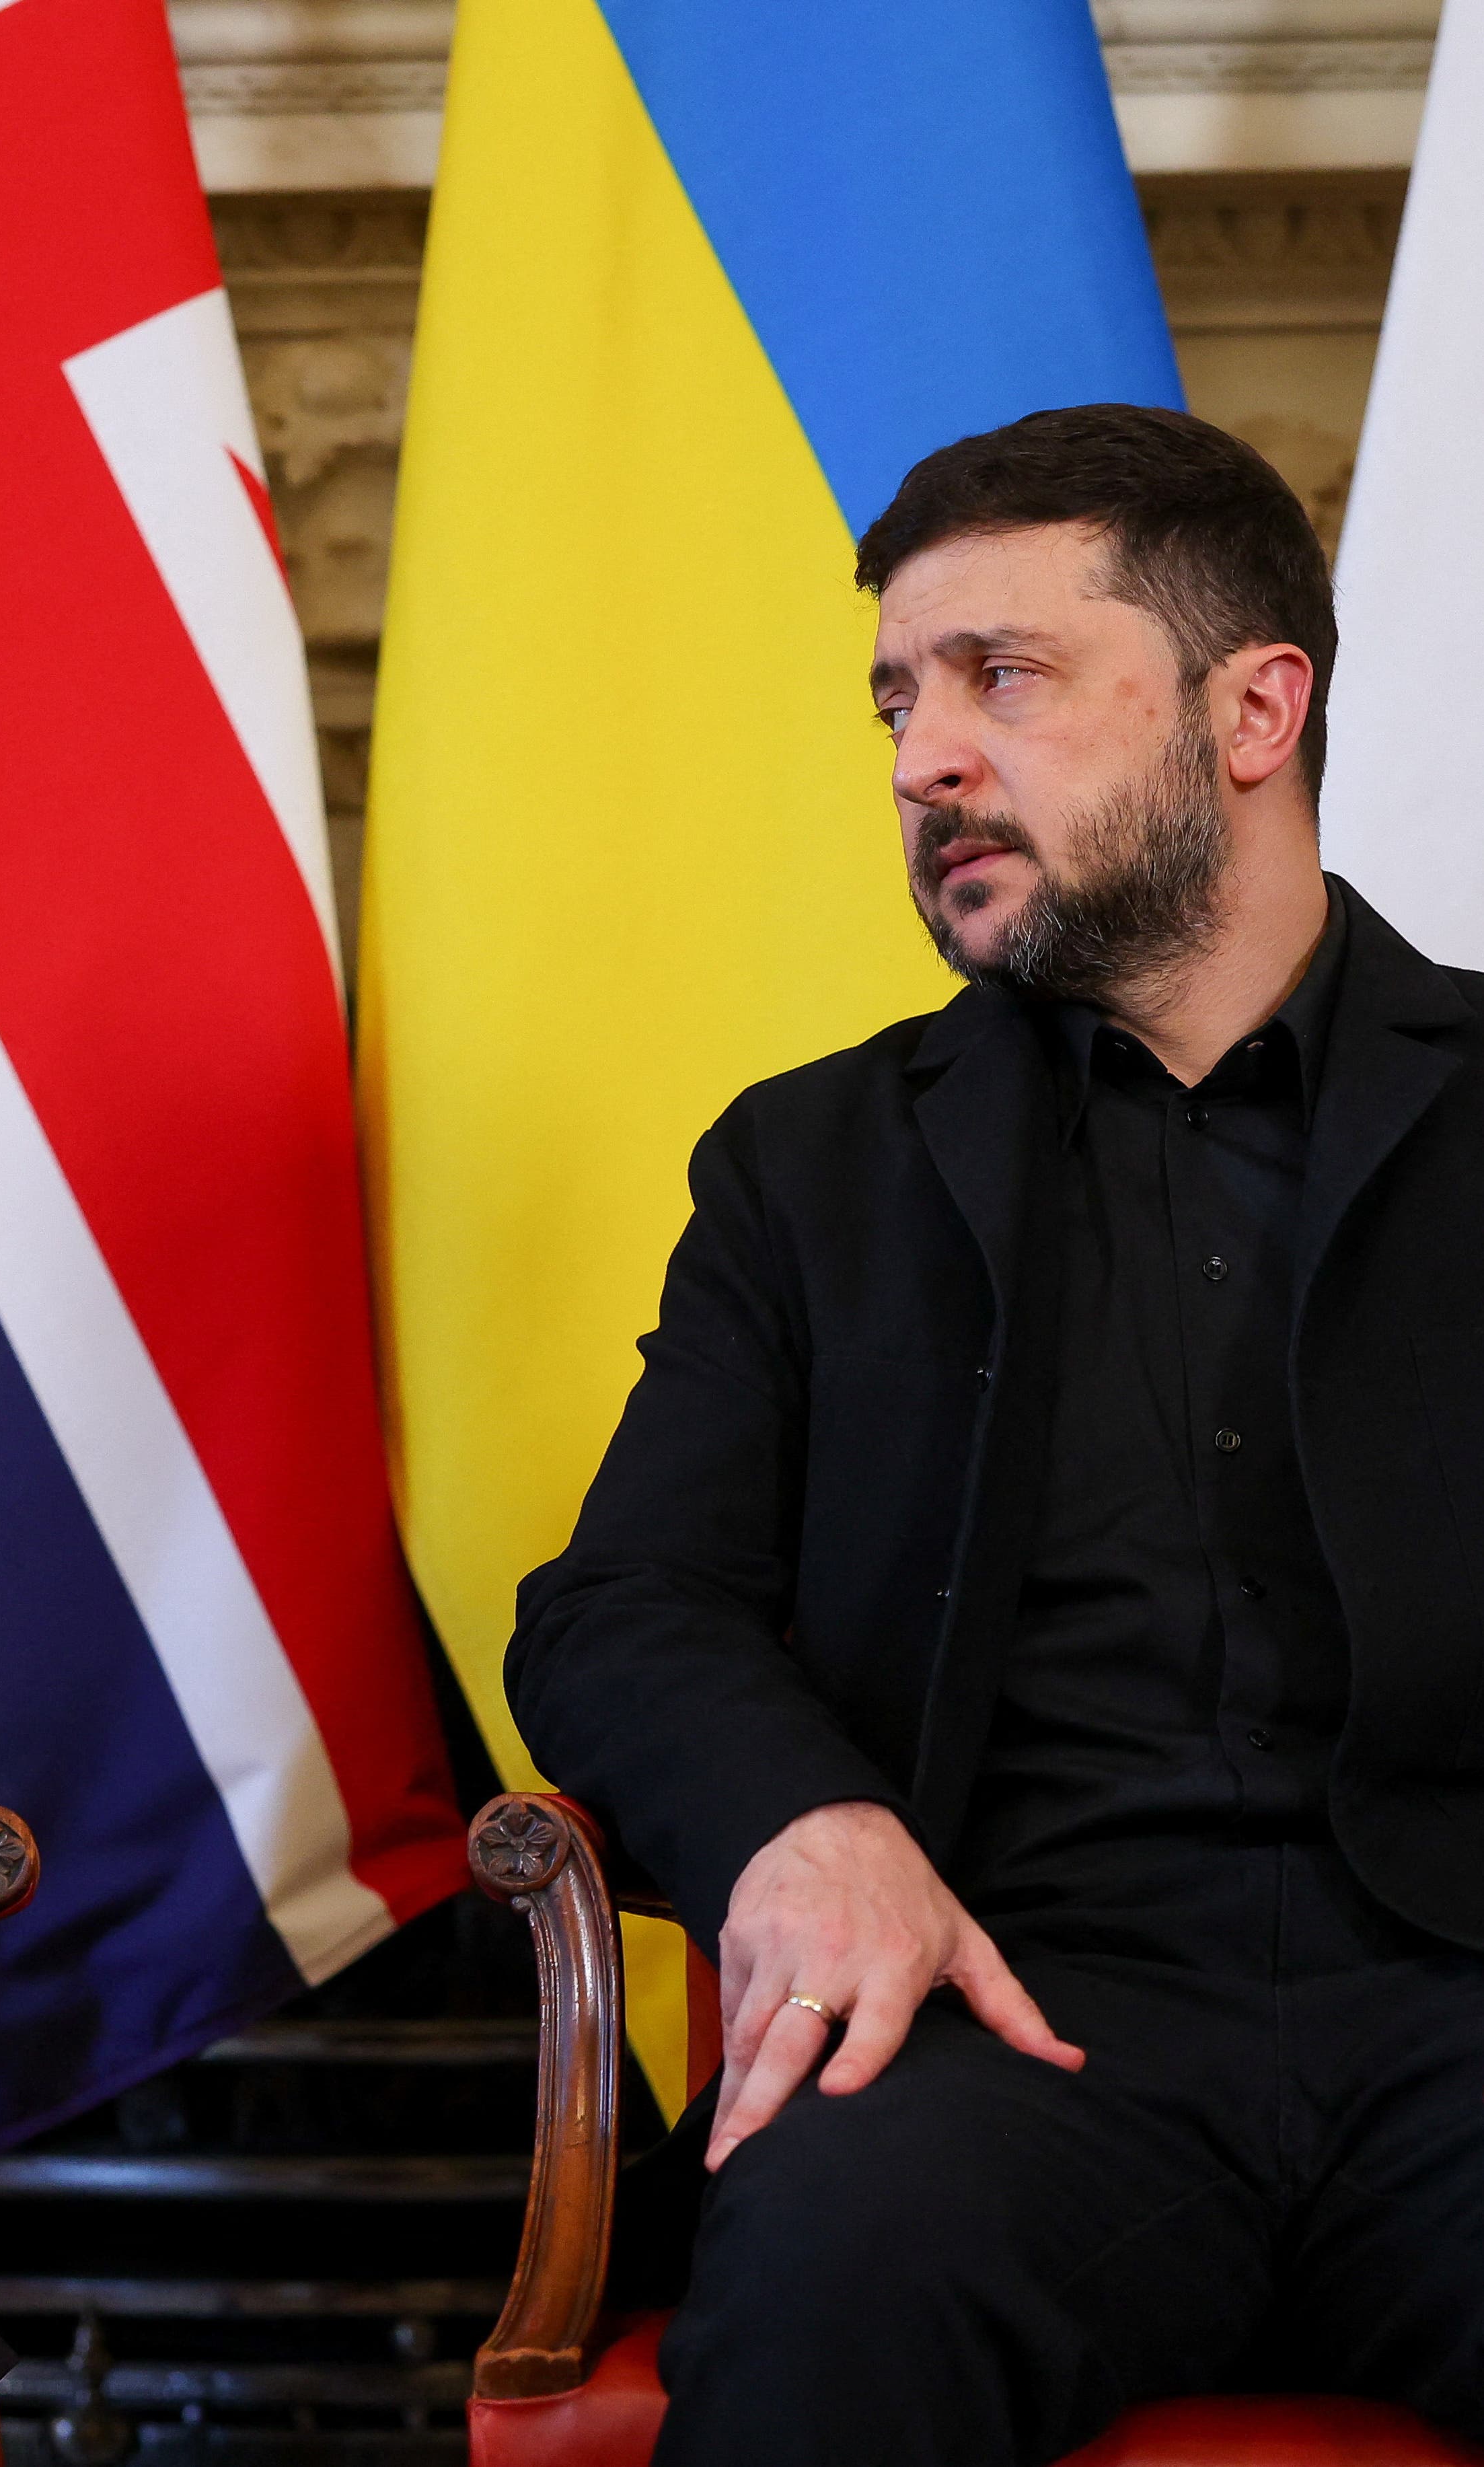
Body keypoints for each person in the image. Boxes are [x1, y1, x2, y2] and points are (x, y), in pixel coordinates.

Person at [508, 403, 1484, 2464]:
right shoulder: (810, 1168)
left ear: (1251, 710)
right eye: (897, 699)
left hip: (1464, 1998)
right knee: (832, 2283)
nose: (921, 758)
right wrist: (806, 1821)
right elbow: (621, 1605)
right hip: (1019, 2018)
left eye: (1002, 678)